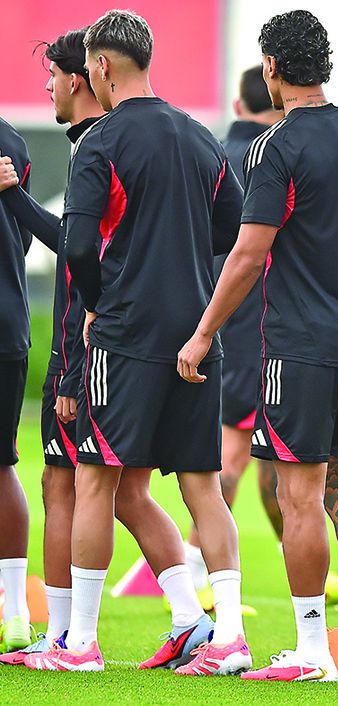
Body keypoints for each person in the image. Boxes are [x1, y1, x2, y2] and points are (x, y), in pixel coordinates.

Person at [178, 9, 338, 682]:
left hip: (300, 346)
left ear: (271, 67)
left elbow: (248, 254)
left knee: (298, 494)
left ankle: (310, 653)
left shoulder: (275, 146)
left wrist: (204, 332)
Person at [25, 10, 250, 674]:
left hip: (123, 336)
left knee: (95, 480)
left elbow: (76, 246)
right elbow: (233, 230)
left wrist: (101, 301)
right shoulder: (201, 138)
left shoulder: (101, 142)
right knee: (203, 488)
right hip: (195, 337)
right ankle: (228, 635)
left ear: (100, 66)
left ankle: (80, 644)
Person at [183, 66, 283, 595]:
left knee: (247, 451)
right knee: (243, 454)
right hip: (259, 322)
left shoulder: (216, 153)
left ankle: (195, 567)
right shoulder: (278, 154)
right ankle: (194, 567)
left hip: (213, 314)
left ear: (239, 106)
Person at [0, 118, 32, 657]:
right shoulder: (12, 139)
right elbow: (22, 237)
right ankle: (17, 611)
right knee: (2, 465)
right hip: (9, 324)